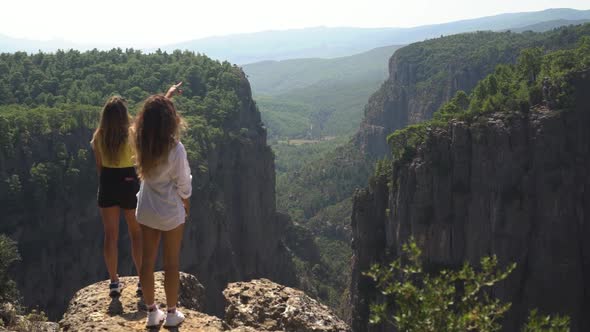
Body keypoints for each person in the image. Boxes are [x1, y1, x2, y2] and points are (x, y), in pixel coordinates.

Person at [133, 83, 192, 328]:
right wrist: (186, 205)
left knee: (147, 262)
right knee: (171, 264)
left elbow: (145, 122)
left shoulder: (138, 139)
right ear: (171, 120)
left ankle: (150, 312)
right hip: (170, 213)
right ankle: (171, 313)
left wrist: (165, 97)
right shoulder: (175, 149)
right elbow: (184, 184)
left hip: (146, 210)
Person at [91, 96, 143, 297]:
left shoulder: (98, 136)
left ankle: (113, 281)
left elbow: (99, 167)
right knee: (136, 233)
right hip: (129, 181)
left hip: (108, 181)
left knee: (110, 235)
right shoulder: (131, 134)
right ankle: (141, 280)